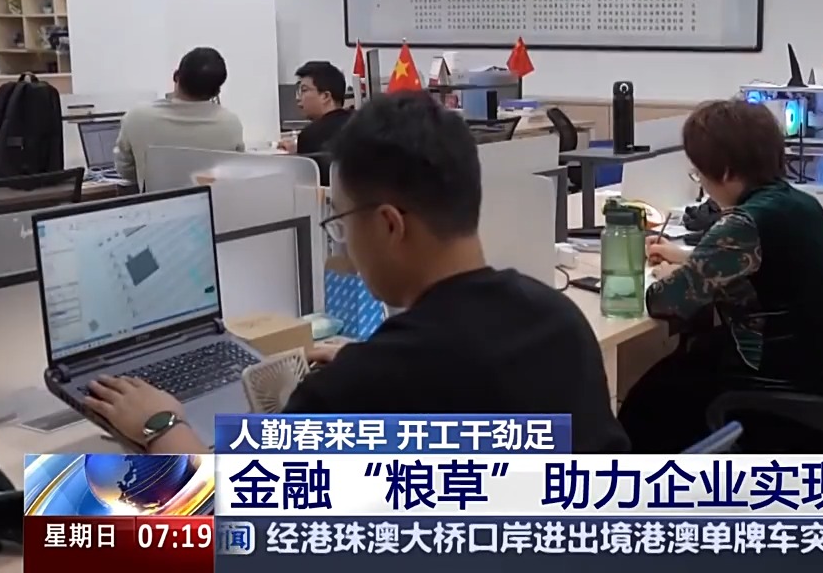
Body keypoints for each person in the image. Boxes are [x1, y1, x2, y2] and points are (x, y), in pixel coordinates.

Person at [83, 92, 629, 454]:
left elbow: (226, 510)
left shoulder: (369, 384)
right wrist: (368, 361)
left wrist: (161, 425)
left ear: (389, 225)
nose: (343, 240)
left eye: (341, 222)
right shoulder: (557, 318)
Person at [617, 99, 823, 452]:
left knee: (642, 407)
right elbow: (766, 266)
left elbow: (666, 301)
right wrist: (690, 261)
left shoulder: (743, 223)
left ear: (723, 171)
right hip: (808, 365)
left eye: (699, 173)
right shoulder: (802, 204)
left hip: (764, 379)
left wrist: (678, 274)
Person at [114, 47, 244, 187]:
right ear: (217, 91)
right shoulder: (231, 124)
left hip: (159, 200)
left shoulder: (137, 117)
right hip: (211, 200)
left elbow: (126, 170)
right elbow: (235, 171)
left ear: (176, 76)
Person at [278, 61, 351, 155]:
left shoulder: (310, 135)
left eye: (304, 90)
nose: (298, 98)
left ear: (325, 96)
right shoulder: (359, 125)